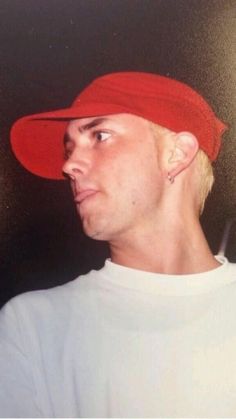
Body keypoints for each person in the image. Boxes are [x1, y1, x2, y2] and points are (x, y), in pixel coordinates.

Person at [0, 71, 235, 418]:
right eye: (69, 148)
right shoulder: (33, 326)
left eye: (99, 135)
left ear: (177, 153)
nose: (69, 166)